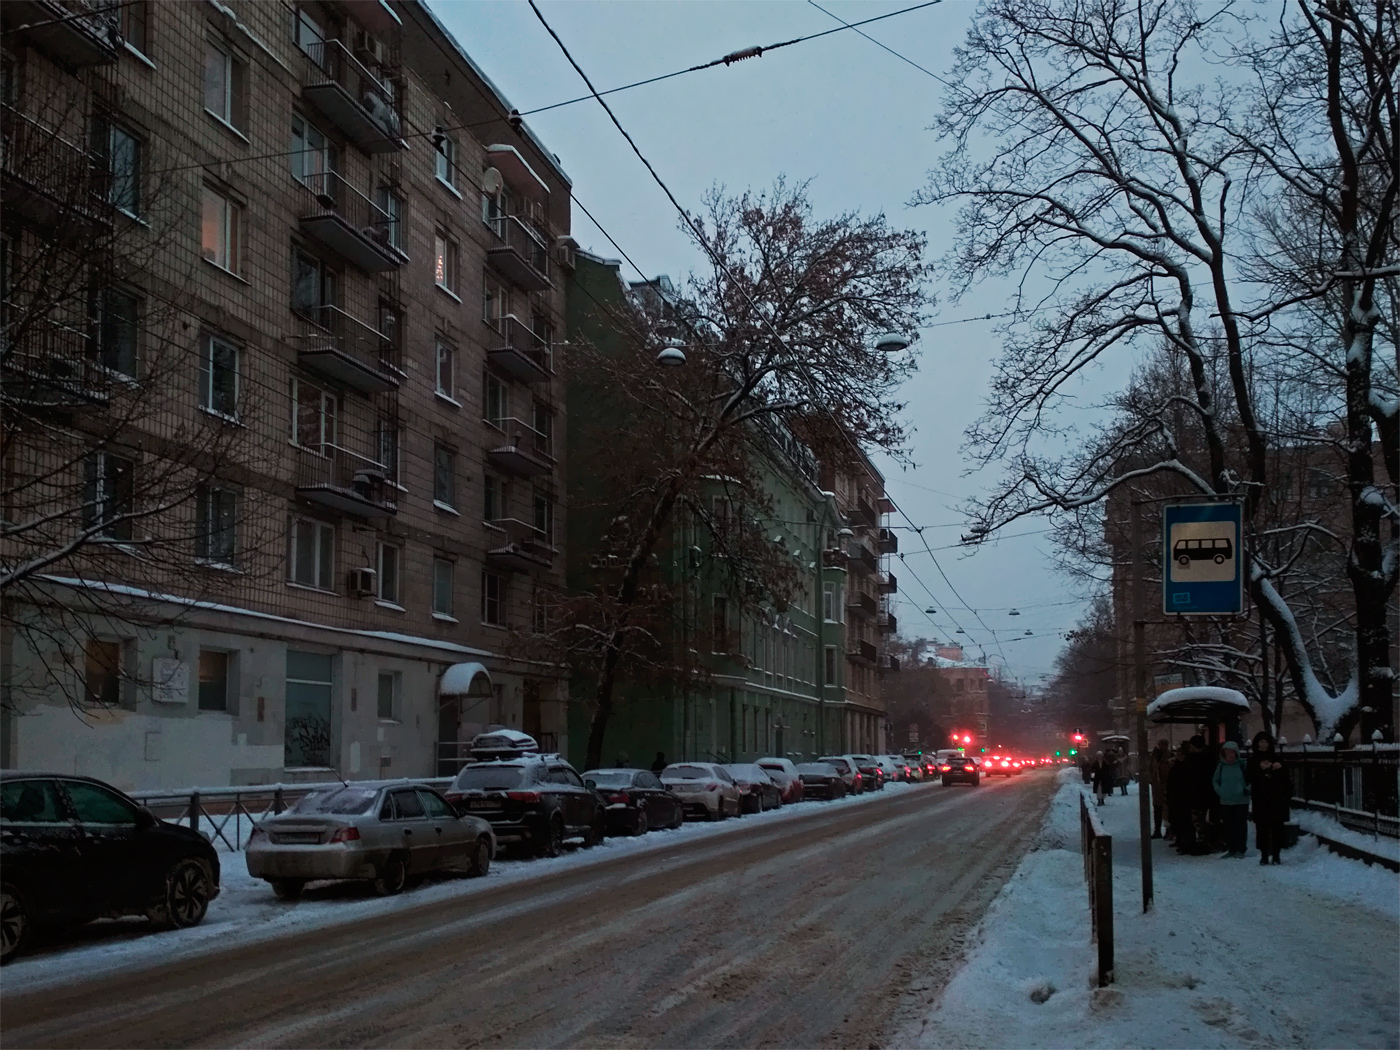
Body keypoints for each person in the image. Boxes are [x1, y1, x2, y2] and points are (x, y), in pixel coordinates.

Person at [1248, 731, 1290, 865]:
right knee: (1262, 828)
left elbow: (1286, 779)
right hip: (1261, 798)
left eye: (1265, 742)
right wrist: (1260, 769)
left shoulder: (1277, 758)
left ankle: (1276, 855)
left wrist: (1280, 768)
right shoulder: (1253, 759)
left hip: (1276, 797)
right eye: (1261, 742)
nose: (1263, 745)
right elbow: (1249, 777)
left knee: (1277, 827)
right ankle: (1264, 855)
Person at [1211, 741, 1250, 857]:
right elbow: (1215, 780)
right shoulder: (1221, 766)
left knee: (1240, 825)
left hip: (1241, 800)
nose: (1230, 755)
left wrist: (1246, 789)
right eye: (1227, 752)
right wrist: (1220, 791)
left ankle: (1241, 849)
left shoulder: (1243, 765)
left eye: (1232, 752)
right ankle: (1232, 849)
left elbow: (1250, 779)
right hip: (1226, 800)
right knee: (1229, 826)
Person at [1166, 742, 1194, 850]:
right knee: (1176, 820)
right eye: (1179, 754)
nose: (1180, 756)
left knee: (1185, 821)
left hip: (1185, 798)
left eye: (1182, 754)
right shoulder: (1175, 767)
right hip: (1175, 798)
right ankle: (1179, 839)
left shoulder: (1188, 767)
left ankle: (1186, 842)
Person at [1147, 739, 1172, 838]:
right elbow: (1151, 769)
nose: (1162, 746)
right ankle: (1157, 830)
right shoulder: (1154, 756)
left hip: (1166, 785)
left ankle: (1168, 830)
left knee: (1166, 809)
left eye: (1164, 745)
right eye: (1161, 744)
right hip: (1157, 786)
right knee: (1157, 809)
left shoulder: (1169, 755)